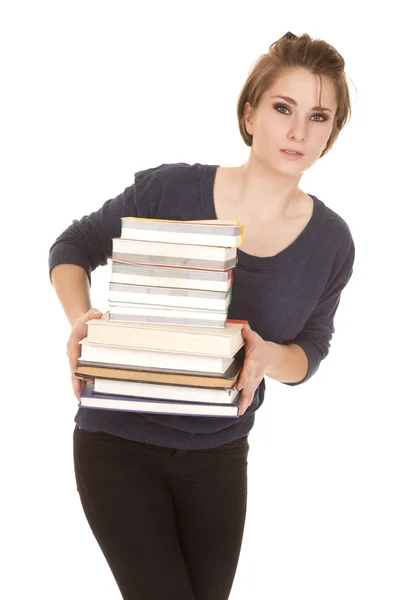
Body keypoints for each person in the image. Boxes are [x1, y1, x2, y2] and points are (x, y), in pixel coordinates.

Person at [48, 31, 355, 600]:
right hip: (117, 443)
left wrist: (266, 357)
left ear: (332, 133)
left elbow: (310, 351)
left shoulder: (331, 242)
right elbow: (72, 248)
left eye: (318, 117)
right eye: (282, 108)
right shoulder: (171, 191)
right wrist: (80, 318)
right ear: (250, 113)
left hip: (218, 456)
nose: (297, 132)